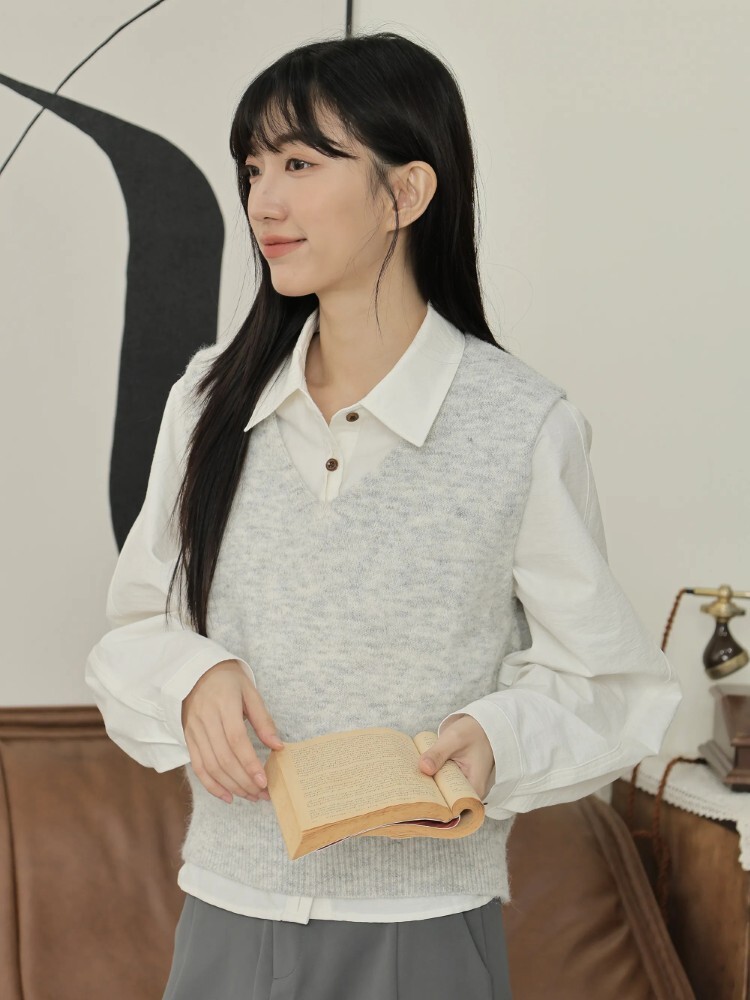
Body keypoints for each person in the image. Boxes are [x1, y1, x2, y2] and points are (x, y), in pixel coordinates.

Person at [85, 30, 682, 1000]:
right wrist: (192, 676)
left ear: (406, 191)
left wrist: (495, 737)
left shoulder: (522, 423)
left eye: (300, 164)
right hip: (227, 917)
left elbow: (610, 681)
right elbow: (132, 629)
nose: (263, 201)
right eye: (253, 168)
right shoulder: (207, 402)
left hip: (424, 933)